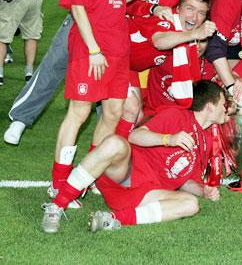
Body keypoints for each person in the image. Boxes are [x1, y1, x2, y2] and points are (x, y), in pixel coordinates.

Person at [3, 0, 177, 146]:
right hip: (88, 14)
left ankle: (96, 157)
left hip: (120, 25)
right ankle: (21, 118)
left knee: (107, 95)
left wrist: (147, 2)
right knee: (55, 62)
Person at [40, 80, 228, 233]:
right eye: (223, 104)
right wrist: (168, 139)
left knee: (190, 204)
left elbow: (187, 181)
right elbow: (134, 136)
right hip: (126, 172)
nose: (226, 109)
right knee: (115, 143)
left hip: (145, 193)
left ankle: (111, 220)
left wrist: (203, 190)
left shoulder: (205, 141)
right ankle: (57, 205)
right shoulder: (177, 116)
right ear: (210, 107)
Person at [49, 0, 130, 205]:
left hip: (118, 49)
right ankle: (59, 183)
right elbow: (78, 7)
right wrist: (94, 49)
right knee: (80, 112)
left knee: (113, 113)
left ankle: (87, 175)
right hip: (93, 50)